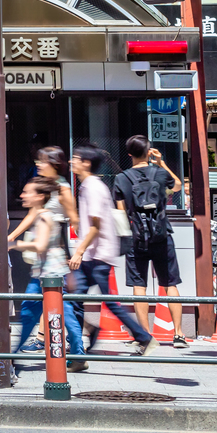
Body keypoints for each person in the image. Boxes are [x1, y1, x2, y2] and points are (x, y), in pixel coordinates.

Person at [69, 143, 150, 360]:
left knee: (94, 302)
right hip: (94, 255)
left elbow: (96, 226)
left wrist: (79, 252)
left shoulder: (93, 187)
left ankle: (142, 336)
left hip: (97, 256)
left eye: (76, 158)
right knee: (75, 300)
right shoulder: (88, 185)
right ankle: (78, 345)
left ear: (86, 163)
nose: (72, 161)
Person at [114, 136, 184, 347]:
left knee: (139, 286)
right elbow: (178, 186)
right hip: (162, 236)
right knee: (170, 284)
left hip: (136, 237)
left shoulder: (121, 178)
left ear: (129, 154)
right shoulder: (160, 174)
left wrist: (125, 239)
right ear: (148, 152)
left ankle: (145, 335)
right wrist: (161, 163)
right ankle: (179, 334)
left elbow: (120, 213)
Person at [14, 176, 83, 362]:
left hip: (49, 274)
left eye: (27, 192)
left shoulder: (44, 216)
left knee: (41, 312)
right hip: (47, 271)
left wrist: (15, 244)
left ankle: (11, 356)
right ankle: (78, 353)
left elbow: (41, 245)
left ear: (39, 196)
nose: (22, 195)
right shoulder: (43, 215)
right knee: (49, 312)